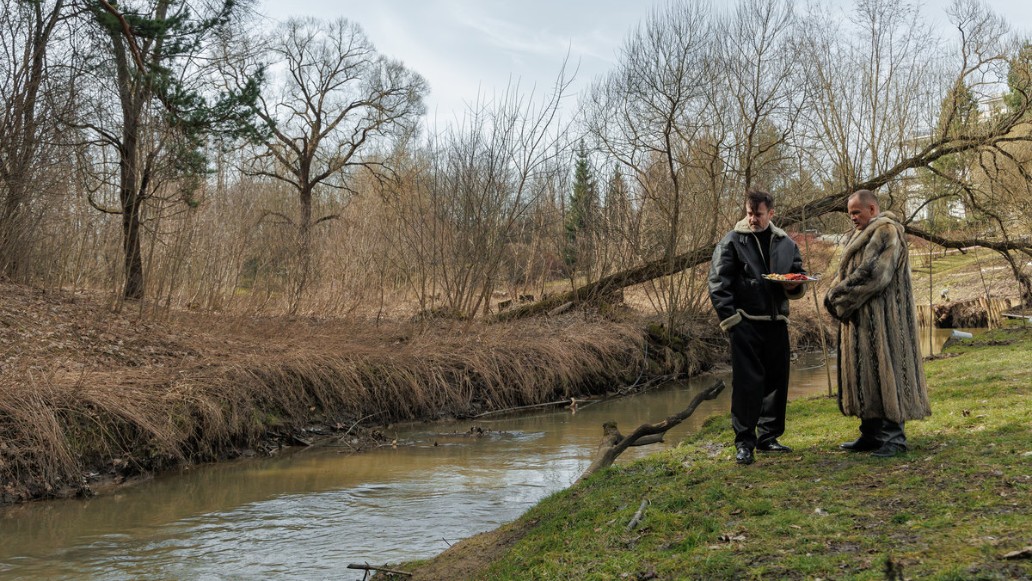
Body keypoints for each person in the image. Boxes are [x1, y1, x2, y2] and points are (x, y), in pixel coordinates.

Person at [823, 189, 931, 458]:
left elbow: (874, 275)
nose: (852, 218)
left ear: (872, 209)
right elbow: (849, 271)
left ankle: (895, 438)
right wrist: (835, 291)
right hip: (862, 320)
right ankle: (870, 433)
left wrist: (836, 296)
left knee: (888, 373)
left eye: (856, 212)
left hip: (886, 321)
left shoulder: (886, 231)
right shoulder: (863, 233)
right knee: (866, 375)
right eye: (850, 214)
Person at [708, 189, 808, 465]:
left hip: (777, 323)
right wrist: (732, 321)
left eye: (758, 214)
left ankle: (769, 438)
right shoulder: (732, 241)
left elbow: (797, 271)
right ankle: (744, 443)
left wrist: (794, 285)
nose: (752, 219)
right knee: (747, 385)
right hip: (745, 324)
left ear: (771, 213)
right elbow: (718, 283)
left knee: (777, 382)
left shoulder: (786, 242)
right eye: (749, 213)